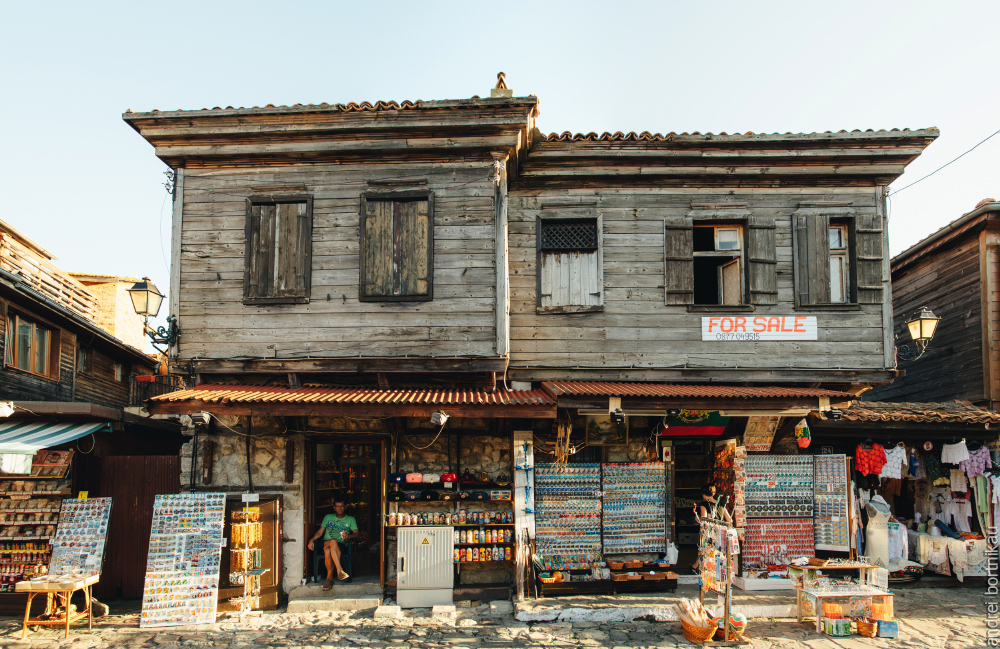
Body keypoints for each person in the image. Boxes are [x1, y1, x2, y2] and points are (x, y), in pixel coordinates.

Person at [307, 499, 359, 590]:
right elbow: (320, 532)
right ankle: (339, 569)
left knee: (329, 550)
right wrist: (311, 540)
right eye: (338, 506)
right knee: (332, 541)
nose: (340, 508)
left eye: (342, 506)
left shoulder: (350, 519)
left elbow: (357, 534)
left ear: (345, 507)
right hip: (325, 542)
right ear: (334, 508)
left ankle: (329, 579)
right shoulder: (328, 517)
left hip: (341, 545)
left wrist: (349, 536)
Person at [691, 484, 732, 573]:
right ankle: (696, 565)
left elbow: (704, 519)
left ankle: (697, 567)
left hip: (710, 532)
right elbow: (729, 520)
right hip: (721, 533)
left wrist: (698, 519)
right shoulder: (721, 504)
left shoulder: (704, 505)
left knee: (704, 549)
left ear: (704, 494)